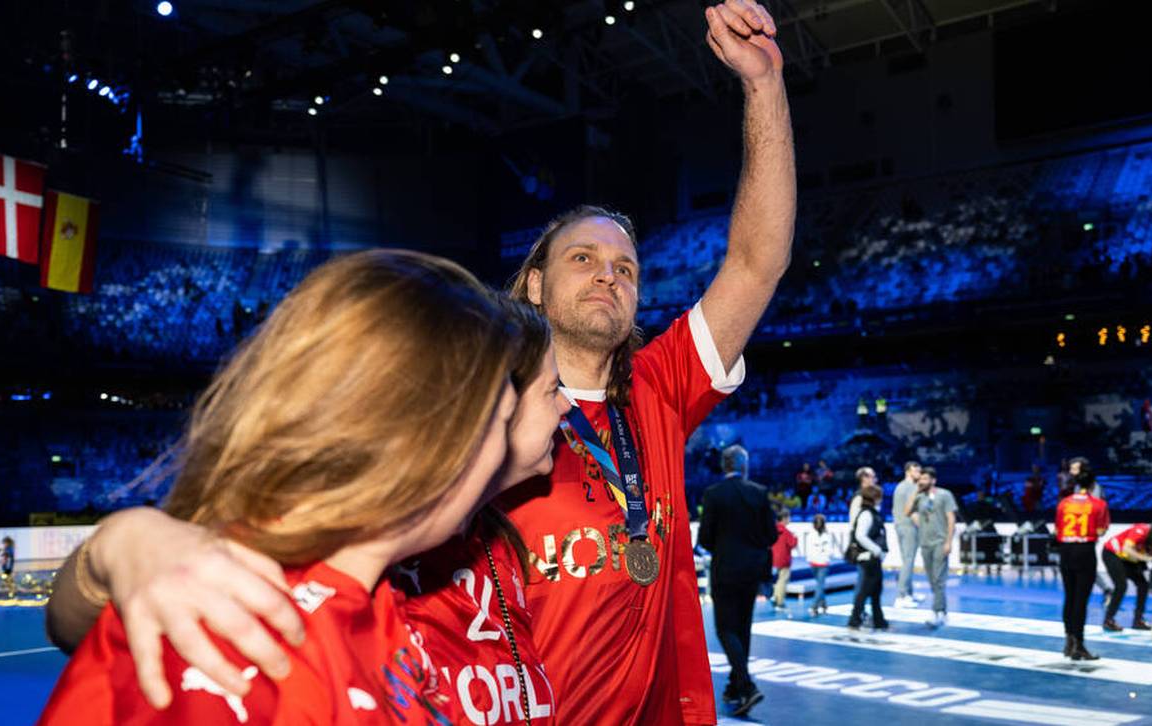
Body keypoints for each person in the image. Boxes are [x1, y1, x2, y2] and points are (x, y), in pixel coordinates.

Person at [42, 3, 795, 724]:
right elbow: (136, 605)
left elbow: (756, 264)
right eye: (583, 257)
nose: (610, 275)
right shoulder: (440, 438)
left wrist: (763, 85)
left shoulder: (653, 393)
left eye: (628, 268)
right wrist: (124, 545)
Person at [40, 250, 529, 724]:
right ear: (429, 438)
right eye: (501, 422)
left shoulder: (365, 597)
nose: (500, 456)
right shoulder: (235, 641)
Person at [393, 298, 571, 726]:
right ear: (492, 404)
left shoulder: (497, 541)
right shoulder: (380, 561)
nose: (566, 405)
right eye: (551, 389)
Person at [698, 445, 777, 717]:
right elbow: (771, 536)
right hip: (752, 571)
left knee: (724, 629)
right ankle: (734, 685)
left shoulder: (714, 494)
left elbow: (705, 540)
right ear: (744, 466)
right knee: (742, 628)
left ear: (724, 466)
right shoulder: (759, 492)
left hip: (726, 570)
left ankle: (746, 684)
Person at [1055, 459, 1110, 661]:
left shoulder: (1064, 503)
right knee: (1080, 600)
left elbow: (1058, 530)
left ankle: (1069, 641)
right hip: (1085, 551)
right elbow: (1101, 530)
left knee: (1069, 598)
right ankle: (1079, 644)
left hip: (1066, 550)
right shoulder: (1099, 504)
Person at [1100, 516, 1152, 631]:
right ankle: (1108, 620)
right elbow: (1126, 549)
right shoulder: (1141, 530)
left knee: (1143, 585)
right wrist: (1145, 558)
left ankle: (1138, 620)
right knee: (1121, 586)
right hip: (1112, 554)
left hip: (1130, 559)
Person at [908, 467, 956, 627]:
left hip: (940, 542)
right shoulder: (920, 496)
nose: (922, 481)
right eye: (920, 479)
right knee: (931, 578)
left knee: (938, 578)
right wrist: (916, 491)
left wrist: (949, 541)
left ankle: (937, 612)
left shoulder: (945, 495)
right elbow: (907, 511)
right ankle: (942, 609)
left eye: (925, 479)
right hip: (925, 542)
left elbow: (951, 519)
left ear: (933, 480)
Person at [848, 482, 889, 631]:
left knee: (875, 591)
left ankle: (879, 621)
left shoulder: (872, 513)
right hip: (868, 557)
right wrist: (876, 550)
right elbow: (860, 535)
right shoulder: (866, 514)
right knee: (865, 590)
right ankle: (855, 619)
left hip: (872, 557)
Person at [891, 461, 923, 608]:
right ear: (908, 471)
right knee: (908, 561)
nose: (919, 474)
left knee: (907, 560)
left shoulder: (900, 486)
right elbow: (911, 511)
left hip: (901, 525)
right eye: (916, 471)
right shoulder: (910, 487)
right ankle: (901, 595)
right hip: (908, 526)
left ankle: (908, 593)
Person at [806, 514, 834, 616]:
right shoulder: (811, 535)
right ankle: (824, 605)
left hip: (823, 563)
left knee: (819, 585)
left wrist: (825, 557)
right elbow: (809, 550)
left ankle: (814, 607)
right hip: (814, 563)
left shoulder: (827, 536)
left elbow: (830, 550)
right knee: (820, 585)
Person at [771, 509, 798, 611]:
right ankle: (779, 602)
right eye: (789, 517)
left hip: (775, 559)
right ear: (784, 518)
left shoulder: (773, 529)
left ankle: (775, 596)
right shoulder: (786, 532)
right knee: (783, 580)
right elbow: (792, 544)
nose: (790, 519)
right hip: (784, 559)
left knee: (779, 579)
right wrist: (795, 538)